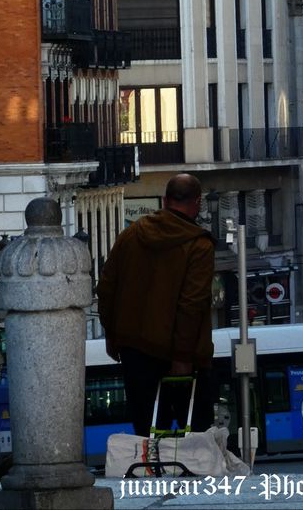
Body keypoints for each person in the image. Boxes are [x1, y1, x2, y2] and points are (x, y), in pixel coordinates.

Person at [97, 172, 215, 435]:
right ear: (197, 202)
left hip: (135, 351)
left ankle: (150, 473)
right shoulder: (199, 245)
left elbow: (106, 287)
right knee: (195, 437)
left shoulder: (130, 235)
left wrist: (112, 335)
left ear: (164, 200)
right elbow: (191, 304)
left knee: (147, 434)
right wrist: (183, 356)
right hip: (183, 359)